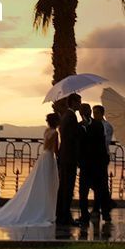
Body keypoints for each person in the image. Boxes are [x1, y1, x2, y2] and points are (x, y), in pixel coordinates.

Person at [77, 102, 113, 222]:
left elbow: (103, 144)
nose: (87, 113)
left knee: (101, 187)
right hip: (85, 163)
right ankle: (84, 213)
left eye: (90, 111)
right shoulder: (79, 125)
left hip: (98, 162)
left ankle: (103, 211)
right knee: (84, 189)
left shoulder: (100, 125)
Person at [54, 94, 83, 225]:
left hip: (65, 156)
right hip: (69, 158)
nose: (80, 104)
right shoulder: (71, 116)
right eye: (79, 102)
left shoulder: (66, 116)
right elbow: (72, 138)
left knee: (64, 187)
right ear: (73, 102)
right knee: (67, 187)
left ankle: (61, 215)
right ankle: (65, 217)